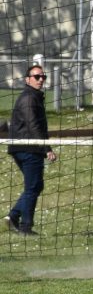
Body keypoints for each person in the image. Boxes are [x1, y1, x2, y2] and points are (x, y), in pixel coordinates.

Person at [4, 64, 56, 236]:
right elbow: (33, 125)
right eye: (37, 77)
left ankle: (13, 216)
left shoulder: (34, 96)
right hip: (28, 147)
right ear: (27, 80)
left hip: (25, 147)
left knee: (36, 186)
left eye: (43, 77)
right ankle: (25, 227)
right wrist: (46, 148)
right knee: (33, 186)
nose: (41, 80)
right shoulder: (29, 98)